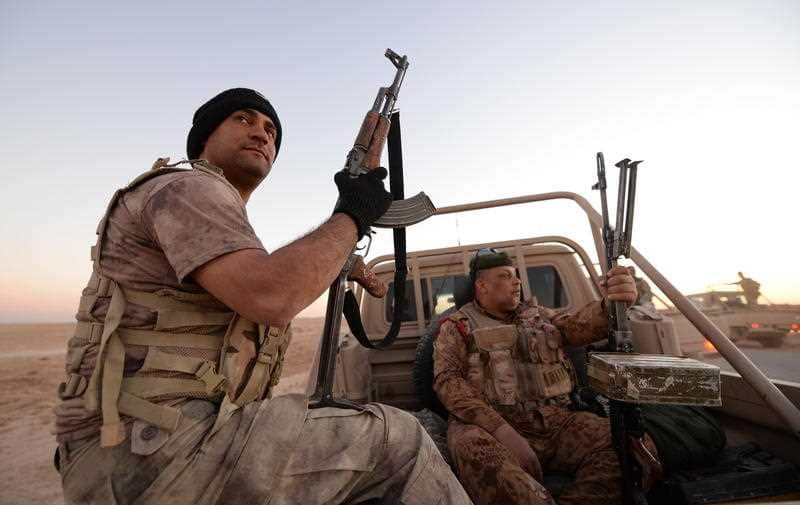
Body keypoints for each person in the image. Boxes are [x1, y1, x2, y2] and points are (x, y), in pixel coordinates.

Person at [53, 88, 471, 505]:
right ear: (204, 138)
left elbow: (267, 282)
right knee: (399, 441)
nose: (261, 134)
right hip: (151, 447)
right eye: (243, 119)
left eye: (271, 130)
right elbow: (272, 294)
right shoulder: (185, 188)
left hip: (162, 437)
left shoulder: (217, 218)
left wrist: (337, 255)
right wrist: (354, 214)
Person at [433, 249, 658, 505]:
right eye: (506, 276)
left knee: (629, 445)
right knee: (472, 449)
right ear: (482, 286)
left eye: (516, 275)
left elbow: (578, 326)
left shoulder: (539, 316)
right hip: (491, 425)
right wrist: (502, 430)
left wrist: (613, 304)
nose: (517, 281)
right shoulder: (458, 326)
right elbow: (448, 382)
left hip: (553, 421)